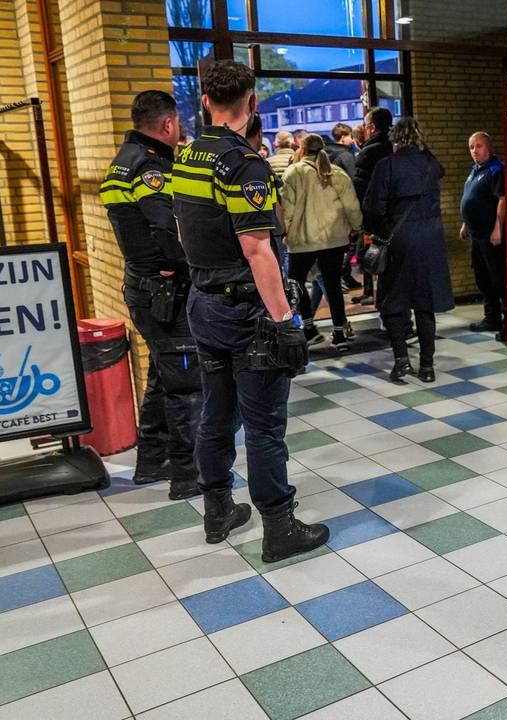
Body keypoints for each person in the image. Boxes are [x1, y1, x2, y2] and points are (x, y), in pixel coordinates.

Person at [173, 60, 328, 561]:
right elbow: (258, 250)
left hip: (202, 304)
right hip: (244, 312)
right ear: (252, 102)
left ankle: (218, 510)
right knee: (264, 425)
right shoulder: (245, 164)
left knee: (217, 411)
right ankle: (278, 527)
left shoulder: (186, 157)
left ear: (204, 102)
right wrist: (287, 323)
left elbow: (182, 233)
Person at [100, 90, 200, 501]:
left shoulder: (120, 162)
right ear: (168, 124)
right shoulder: (150, 166)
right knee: (185, 382)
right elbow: (165, 228)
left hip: (142, 286)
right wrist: (184, 263)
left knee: (163, 372)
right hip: (164, 290)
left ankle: (151, 459)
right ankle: (187, 474)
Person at [363, 117, 454, 384]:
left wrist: (379, 229)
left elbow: (373, 208)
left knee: (393, 302)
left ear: (394, 139)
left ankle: (401, 359)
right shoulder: (430, 164)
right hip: (431, 241)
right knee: (425, 305)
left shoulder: (386, 166)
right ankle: (427, 366)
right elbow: (440, 168)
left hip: (399, 241)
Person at [281, 133, 363, 353]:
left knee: (297, 284)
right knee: (333, 284)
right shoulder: (337, 174)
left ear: (303, 150)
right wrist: (356, 226)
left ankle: (309, 329)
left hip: (302, 241)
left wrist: (283, 233)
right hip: (333, 240)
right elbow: (352, 207)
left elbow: (286, 209)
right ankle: (339, 333)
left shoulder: (293, 172)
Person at [459, 131, 507, 337]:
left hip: (490, 236)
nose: (474, 151)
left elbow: (502, 199)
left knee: (498, 279)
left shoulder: (496, 170)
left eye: (478, 146)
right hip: (476, 234)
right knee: (482, 279)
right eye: (471, 147)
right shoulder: (475, 170)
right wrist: (465, 224)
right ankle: (492, 318)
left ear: (489, 147)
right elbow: (471, 199)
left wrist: (498, 227)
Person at [350, 107, 394, 301]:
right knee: (393, 265)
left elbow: (360, 190)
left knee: (373, 260)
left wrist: (363, 221)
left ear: (372, 128)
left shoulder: (367, 154)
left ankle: (388, 311)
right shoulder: (397, 148)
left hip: (376, 221)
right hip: (398, 219)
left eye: (366, 126)